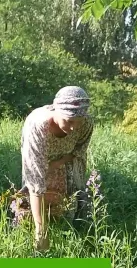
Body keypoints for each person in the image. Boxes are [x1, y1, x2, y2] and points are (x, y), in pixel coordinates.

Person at [18, 86, 94, 251]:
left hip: (66, 159)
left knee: (69, 200)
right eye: (69, 121)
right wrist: (40, 230)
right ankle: (33, 227)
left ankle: (67, 229)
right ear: (56, 111)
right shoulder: (38, 126)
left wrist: (58, 164)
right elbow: (35, 177)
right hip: (38, 158)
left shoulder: (86, 124)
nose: (74, 127)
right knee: (31, 203)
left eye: (78, 122)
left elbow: (79, 151)